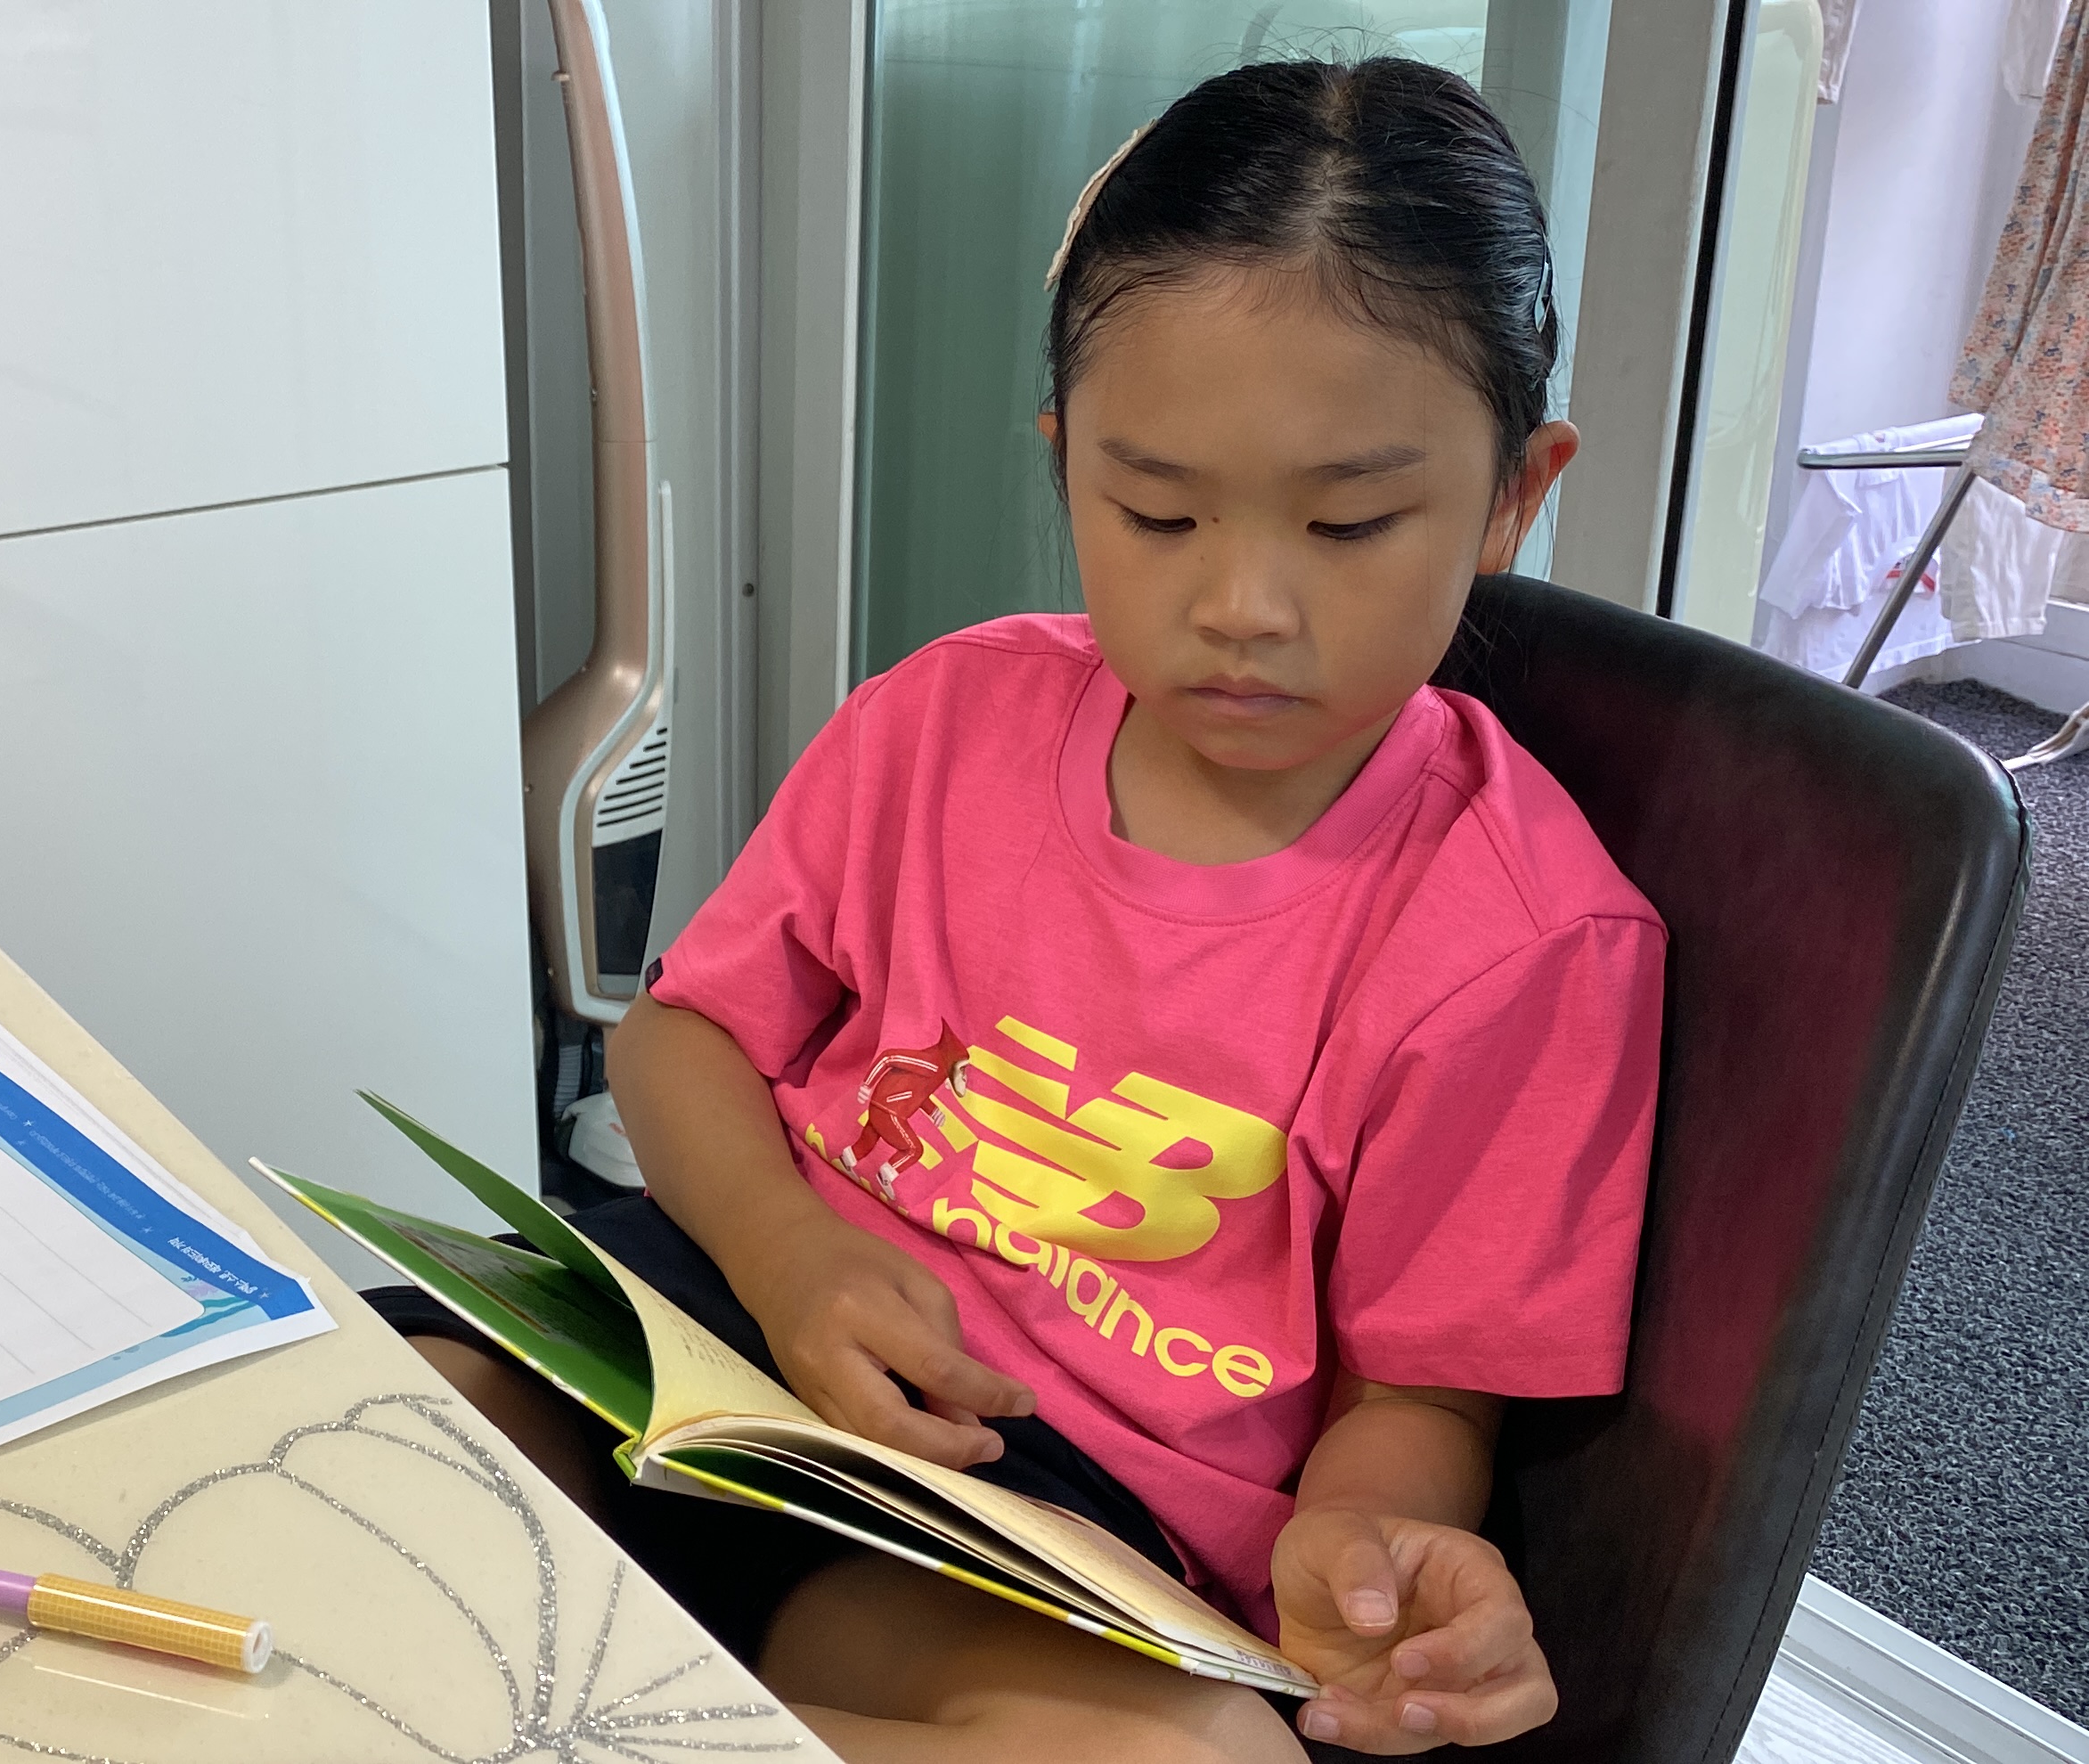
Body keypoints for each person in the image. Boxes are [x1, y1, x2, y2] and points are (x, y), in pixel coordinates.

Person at [382, 56, 1664, 1762]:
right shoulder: (950, 719)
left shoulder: (1524, 944)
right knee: (357, 1433)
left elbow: (1419, 1395)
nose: (1243, 604)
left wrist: (1369, 1558)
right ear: (1067, 469)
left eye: (1350, 523)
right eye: (1157, 513)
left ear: (1515, 492)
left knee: (1200, 1761)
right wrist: (789, 1254)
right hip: (715, 1329)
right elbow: (682, 1038)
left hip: (1024, 1529)